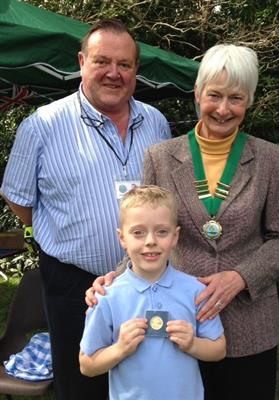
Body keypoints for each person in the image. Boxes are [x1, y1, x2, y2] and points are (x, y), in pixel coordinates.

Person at [87, 44, 279, 400]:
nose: (222, 108)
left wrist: (240, 277)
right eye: (214, 95)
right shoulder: (161, 156)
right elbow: (147, 225)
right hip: (177, 325)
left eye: (236, 98)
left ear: (248, 101)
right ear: (198, 93)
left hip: (251, 324)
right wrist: (114, 278)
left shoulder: (271, 160)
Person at [0, 20, 171, 400]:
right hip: (72, 283)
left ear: (135, 70)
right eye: (102, 61)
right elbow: (17, 196)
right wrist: (63, 232)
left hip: (145, 278)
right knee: (81, 382)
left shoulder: (156, 122)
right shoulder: (42, 125)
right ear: (82, 62)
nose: (114, 72)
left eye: (124, 64)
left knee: (145, 374)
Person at [79, 185, 226, 400]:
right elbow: (87, 365)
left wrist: (193, 344)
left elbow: (219, 349)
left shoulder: (196, 290)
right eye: (138, 232)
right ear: (122, 238)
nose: (150, 241)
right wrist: (120, 348)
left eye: (162, 231)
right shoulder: (106, 297)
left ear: (175, 236)